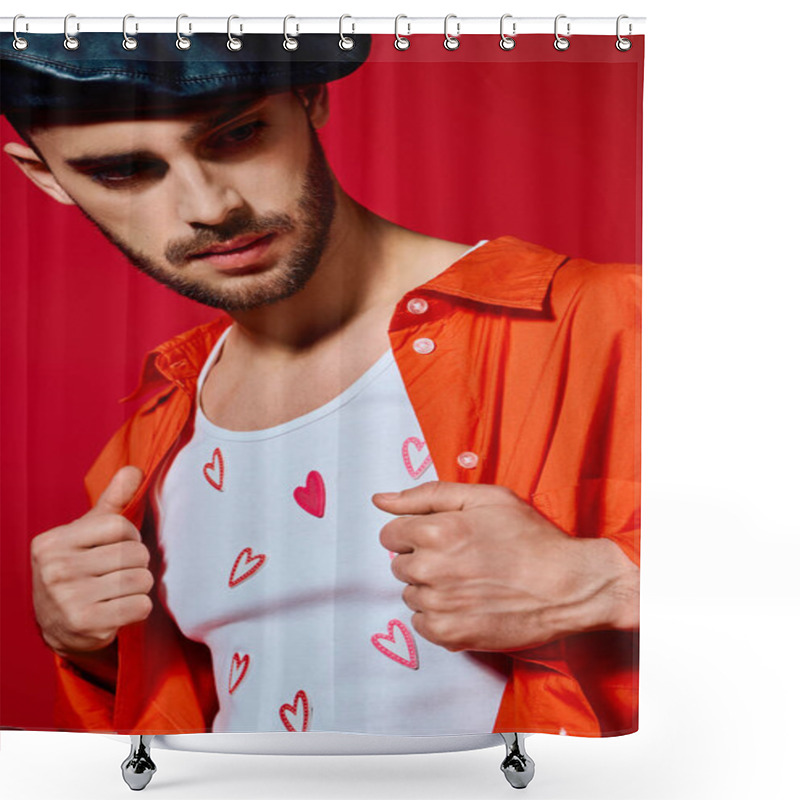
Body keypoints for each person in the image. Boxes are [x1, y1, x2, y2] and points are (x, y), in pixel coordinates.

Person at [1, 32, 640, 737]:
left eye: (238, 133)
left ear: (310, 96)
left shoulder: (618, 323)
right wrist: (89, 651)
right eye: (124, 172)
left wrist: (611, 584)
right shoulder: (150, 440)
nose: (209, 207)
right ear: (46, 177)